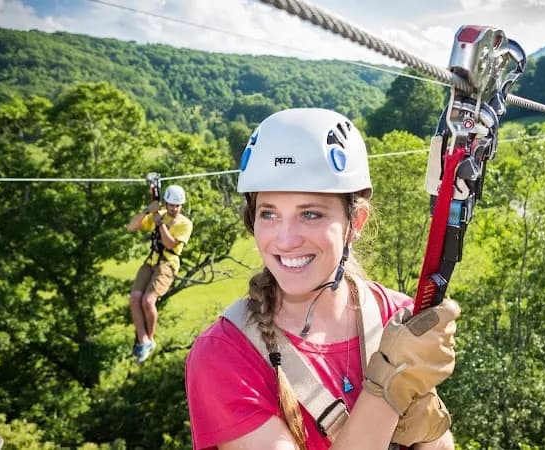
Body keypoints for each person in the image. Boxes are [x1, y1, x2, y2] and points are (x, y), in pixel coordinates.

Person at [185, 108, 460, 449]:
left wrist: (425, 428)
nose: (286, 240)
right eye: (268, 213)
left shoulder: (397, 321)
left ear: (355, 222)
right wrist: (390, 385)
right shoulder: (225, 355)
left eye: (310, 214)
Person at [126, 184, 193, 364]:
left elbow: (170, 244)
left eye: (177, 206)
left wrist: (160, 222)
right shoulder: (158, 214)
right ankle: (143, 340)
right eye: (171, 205)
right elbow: (131, 227)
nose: (174, 209)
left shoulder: (185, 224)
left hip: (168, 263)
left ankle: (150, 339)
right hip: (151, 261)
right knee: (135, 298)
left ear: (182, 205)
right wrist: (148, 210)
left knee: (148, 300)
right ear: (166, 203)